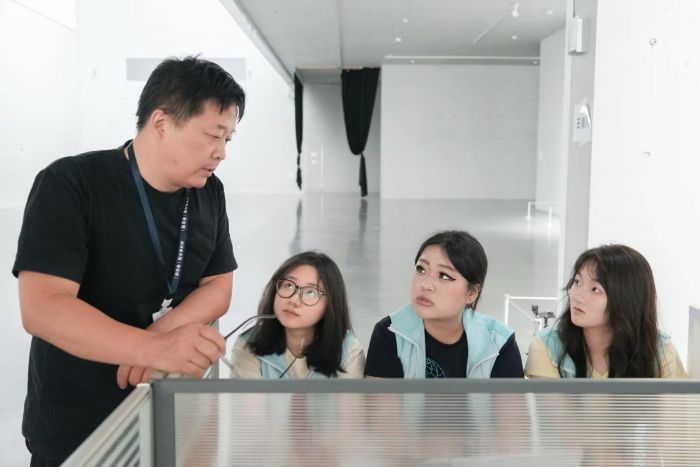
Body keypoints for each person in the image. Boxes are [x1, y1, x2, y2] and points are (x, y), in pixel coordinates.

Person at [13, 56, 245, 465]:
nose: (221, 152)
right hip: (78, 422)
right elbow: (43, 308)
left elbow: (219, 286)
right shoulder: (70, 184)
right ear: (161, 122)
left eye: (229, 139)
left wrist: (162, 336)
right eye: (214, 135)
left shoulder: (210, 192)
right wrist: (151, 349)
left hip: (166, 411)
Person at [364, 230, 523, 378]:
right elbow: (381, 400)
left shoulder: (500, 343)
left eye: (444, 276)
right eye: (421, 269)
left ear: (472, 293)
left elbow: (511, 401)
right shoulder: (390, 334)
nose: (425, 285)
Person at [525, 244, 687, 378]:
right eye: (577, 281)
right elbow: (552, 409)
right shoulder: (546, 346)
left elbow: (677, 407)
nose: (577, 296)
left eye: (595, 289)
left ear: (626, 299)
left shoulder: (660, 352)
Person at [230, 251, 365, 379]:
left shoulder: (348, 350)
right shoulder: (248, 345)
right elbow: (248, 396)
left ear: (330, 304)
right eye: (289, 285)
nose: (294, 300)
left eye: (310, 292)